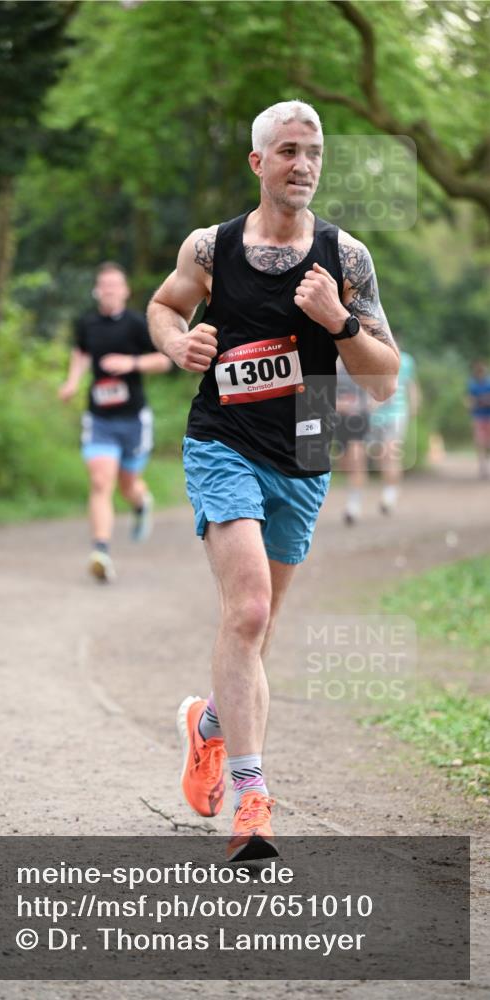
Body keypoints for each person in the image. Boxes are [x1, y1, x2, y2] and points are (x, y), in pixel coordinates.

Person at [147, 100, 399, 861]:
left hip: (306, 447)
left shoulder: (344, 258)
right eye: (287, 150)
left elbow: (383, 380)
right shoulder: (210, 246)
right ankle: (253, 799)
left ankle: (211, 726)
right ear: (258, 163)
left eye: (313, 150)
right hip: (221, 439)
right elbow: (163, 305)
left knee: (257, 630)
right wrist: (175, 344)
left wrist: (338, 322)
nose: (303, 163)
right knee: (248, 609)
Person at [59, 262, 171, 582]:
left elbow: (164, 361)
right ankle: (101, 551)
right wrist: (72, 382)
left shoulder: (138, 324)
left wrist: (131, 362)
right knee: (100, 481)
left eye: (114, 285)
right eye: (103, 285)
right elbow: (80, 354)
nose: (108, 290)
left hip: (133, 418)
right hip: (100, 418)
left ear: (125, 290)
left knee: (127, 485)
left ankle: (140, 502)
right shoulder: (87, 324)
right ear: (97, 290)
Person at [368, 346, 419, 513]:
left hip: (397, 413)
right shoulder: (370, 355)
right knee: (381, 455)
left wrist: (414, 406)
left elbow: (411, 384)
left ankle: (389, 494)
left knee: (391, 452)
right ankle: (391, 486)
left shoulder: (406, 360)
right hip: (375, 415)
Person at [333, 356, 372, 525]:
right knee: (345, 464)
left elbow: (374, 391)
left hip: (359, 419)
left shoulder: (361, 356)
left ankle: (353, 505)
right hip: (339, 420)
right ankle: (354, 494)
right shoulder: (332, 360)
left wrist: (365, 405)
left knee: (357, 459)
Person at [466, 359, 490, 480]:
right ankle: (483, 466)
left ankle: (484, 465)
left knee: (484, 442)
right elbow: (470, 401)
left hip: (486, 416)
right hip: (479, 417)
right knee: (481, 442)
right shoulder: (472, 384)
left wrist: (480, 400)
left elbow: (473, 401)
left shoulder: (488, 383)